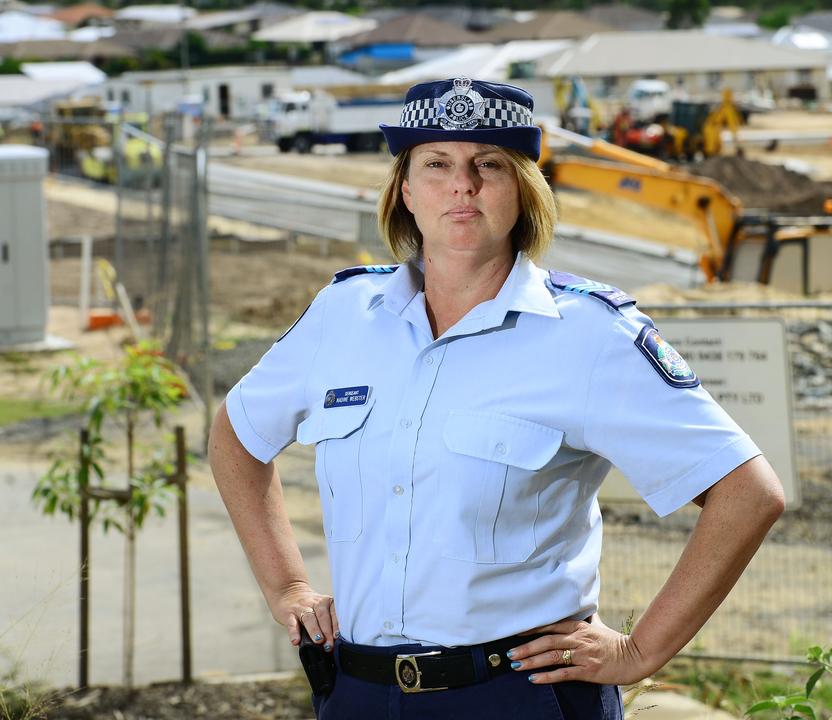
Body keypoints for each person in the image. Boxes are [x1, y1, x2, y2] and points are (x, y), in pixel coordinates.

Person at [209, 76, 785, 719]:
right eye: (436, 163)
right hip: (358, 693)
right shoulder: (342, 315)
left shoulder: (589, 334)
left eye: (489, 164)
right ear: (405, 189)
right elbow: (236, 434)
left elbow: (747, 492)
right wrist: (286, 586)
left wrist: (639, 651)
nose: (462, 184)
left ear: (523, 189)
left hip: (517, 696)